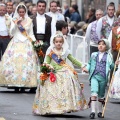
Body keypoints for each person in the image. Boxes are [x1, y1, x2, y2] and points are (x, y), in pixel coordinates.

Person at [32, 32, 88, 115]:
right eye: (57, 42)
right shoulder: (50, 51)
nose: (58, 43)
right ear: (54, 42)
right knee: (52, 91)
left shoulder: (65, 51)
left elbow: (73, 60)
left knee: (66, 90)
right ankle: (52, 107)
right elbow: (46, 62)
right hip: (53, 73)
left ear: (63, 42)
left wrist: (82, 66)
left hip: (64, 72)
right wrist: (48, 66)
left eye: (60, 42)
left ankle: (66, 107)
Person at [0, 3, 39, 92]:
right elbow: (12, 32)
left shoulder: (29, 20)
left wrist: (34, 42)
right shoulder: (14, 20)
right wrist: (16, 24)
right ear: (17, 12)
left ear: (25, 12)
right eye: (20, 12)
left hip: (27, 42)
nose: (21, 13)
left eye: (23, 12)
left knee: (28, 64)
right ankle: (16, 85)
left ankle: (27, 84)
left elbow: (31, 33)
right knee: (14, 64)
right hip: (16, 42)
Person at [82, 39, 114, 119]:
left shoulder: (109, 56)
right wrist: (87, 68)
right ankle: (93, 111)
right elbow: (89, 63)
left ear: (106, 46)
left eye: (103, 44)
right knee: (94, 93)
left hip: (103, 78)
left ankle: (99, 111)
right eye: (99, 44)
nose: (100, 45)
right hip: (94, 76)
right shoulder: (94, 54)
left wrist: (115, 64)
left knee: (101, 95)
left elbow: (112, 67)